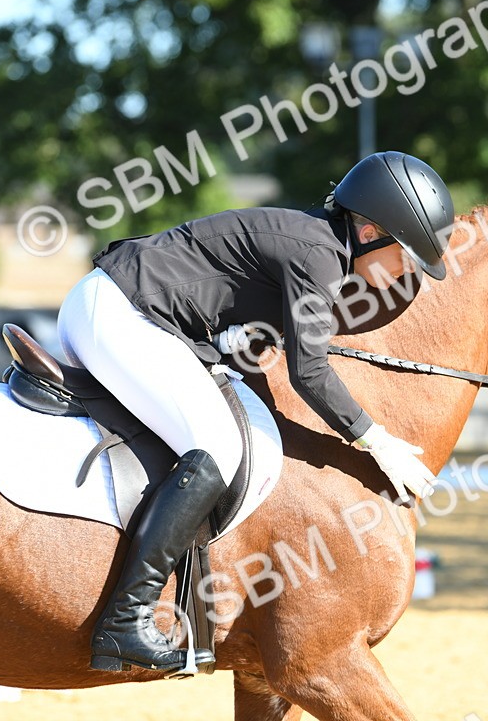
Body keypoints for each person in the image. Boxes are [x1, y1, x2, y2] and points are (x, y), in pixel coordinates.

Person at [57, 151, 455, 674]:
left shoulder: (319, 242)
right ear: (368, 233)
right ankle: (125, 619)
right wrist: (375, 438)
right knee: (218, 446)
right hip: (119, 313)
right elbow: (309, 373)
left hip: (128, 307)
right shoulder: (319, 256)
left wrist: (226, 337)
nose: (407, 271)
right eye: (404, 254)